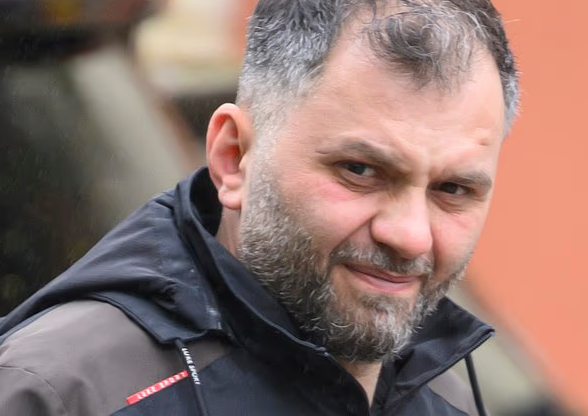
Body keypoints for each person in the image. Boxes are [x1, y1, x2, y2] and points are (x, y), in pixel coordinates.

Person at [0, 0, 519, 415]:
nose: (410, 236)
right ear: (233, 157)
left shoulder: (449, 398)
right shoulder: (59, 393)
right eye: (360, 171)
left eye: (453, 189)